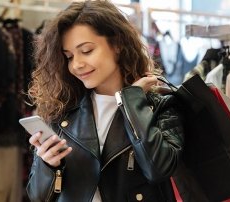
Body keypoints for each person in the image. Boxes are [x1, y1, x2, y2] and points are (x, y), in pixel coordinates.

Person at [26, 1, 185, 201]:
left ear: (117, 44)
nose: (76, 65)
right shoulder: (62, 110)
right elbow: (37, 197)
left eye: (86, 51)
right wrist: (48, 165)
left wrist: (132, 101)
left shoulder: (160, 105)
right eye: (69, 57)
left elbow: (159, 169)